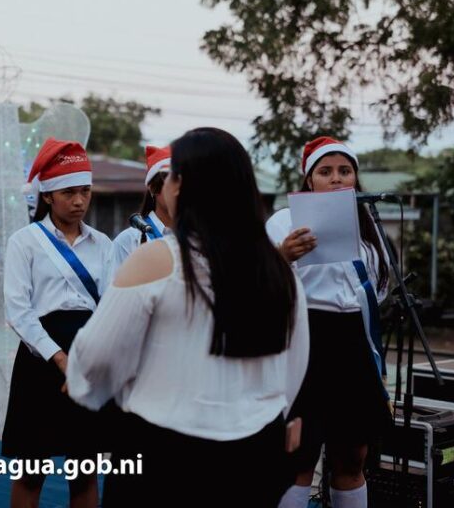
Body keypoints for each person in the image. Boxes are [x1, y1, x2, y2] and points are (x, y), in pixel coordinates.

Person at [65, 127, 310, 507]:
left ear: (178, 187)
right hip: (257, 451)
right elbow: (294, 366)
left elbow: (95, 357)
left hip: (164, 454)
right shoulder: (277, 268)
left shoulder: (156, 259)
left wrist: (92, 388)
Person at [267, 137, 391, 508]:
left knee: (352, 454)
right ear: (309, 180)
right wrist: (282, 255)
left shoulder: (366, 222)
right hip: (305, 340)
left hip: (353, 339)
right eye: (325, 172)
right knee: (299, 456)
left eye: (345, 171)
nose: (337, 179)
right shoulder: (283, 220)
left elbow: (380, 287)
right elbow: (256, 283)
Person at [2, 137, 112, 508]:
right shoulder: (24, 242)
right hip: (40, 359)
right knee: (30, 472)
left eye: (85, 191)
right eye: (68, 192)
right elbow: (18, 310)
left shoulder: (104, 245)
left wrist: (86, 361)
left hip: (89, 357)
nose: (79, 200)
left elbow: (112, 308)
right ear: (47, 195)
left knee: (85, 471)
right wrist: (61, 360)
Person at [110, 145, 173, 272]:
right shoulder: (129, 240)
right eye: (172, 182)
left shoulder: (196, 238)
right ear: (152, 187)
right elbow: (114, 289)